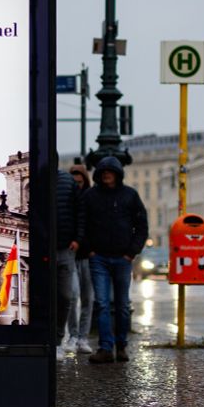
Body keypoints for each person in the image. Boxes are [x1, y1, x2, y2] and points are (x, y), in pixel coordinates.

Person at [82, 156, 148, 364]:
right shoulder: (91, 196)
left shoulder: (130, 195)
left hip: (122, 257)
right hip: (98, 257)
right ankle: (105, 347)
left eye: (110, 172)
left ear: (117, 174)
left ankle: (121, 346)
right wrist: (90, 250)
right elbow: (82, 224)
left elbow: (142, 226)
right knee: (101, 303)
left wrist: (132, 252)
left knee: (121, 304)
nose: (106, 175)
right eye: (103, 172)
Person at [55, 164, 85, 360]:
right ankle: (50, 339)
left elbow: (80, 211)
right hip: (44, 247)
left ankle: (58, 340)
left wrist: (78, 238)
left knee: (66, 296)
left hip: (66, 247)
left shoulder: (67, 181)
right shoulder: (38, 178)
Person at [66, 164, 95, 354]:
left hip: (88, 256)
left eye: (80, 181)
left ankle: (82, 338)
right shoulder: (67, 200)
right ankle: (73, 336)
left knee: (88, 299)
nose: (77, 185)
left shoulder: (91, 200)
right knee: (72, 296)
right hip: (71, 255)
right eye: (74, 182)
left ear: (85, 181)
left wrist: (93, 249)